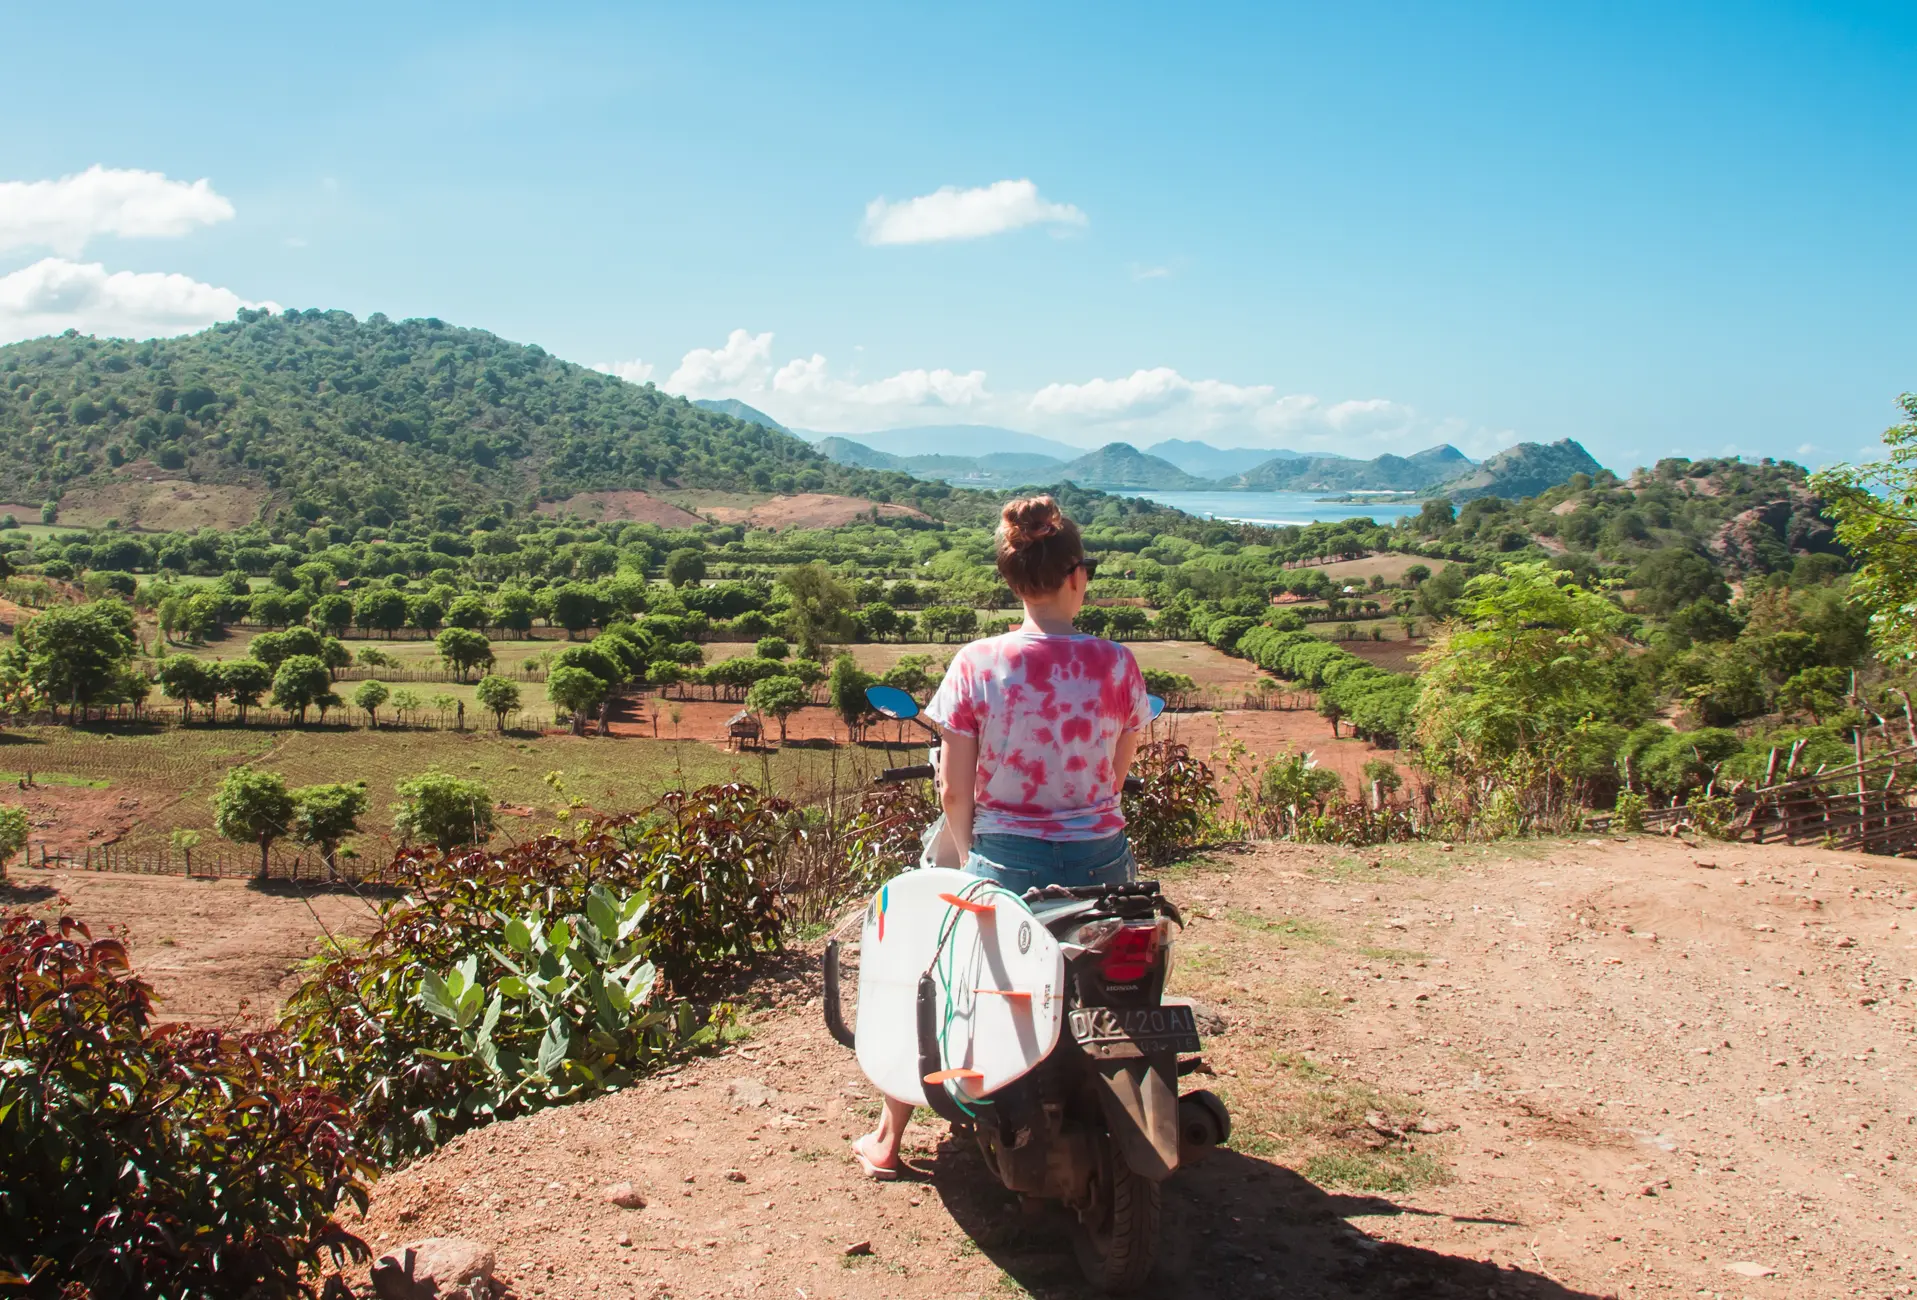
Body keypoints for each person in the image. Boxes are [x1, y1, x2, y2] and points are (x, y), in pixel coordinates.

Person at [852, 494, 1153, 1180]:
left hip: (1005, 856)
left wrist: (966, 848)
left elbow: (953, 789)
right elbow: (1114, 773)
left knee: (922, 966)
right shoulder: (1116, 664)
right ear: (1076, 574)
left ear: (1011, 577)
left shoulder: (976, 664)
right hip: (1100, 856)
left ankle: (887, 1138)